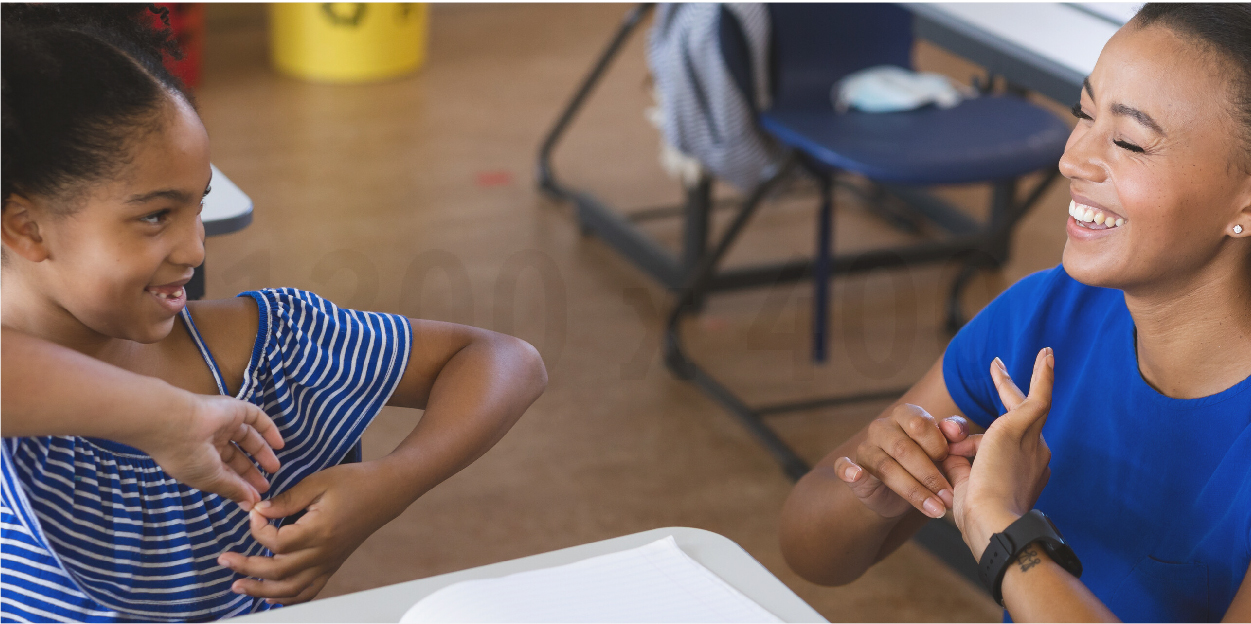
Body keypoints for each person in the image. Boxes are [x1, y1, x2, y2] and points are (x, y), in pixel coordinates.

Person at [0, 4, 547, 621]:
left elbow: (506, 359)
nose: (195, 248)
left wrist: (392, 482)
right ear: (27, 227)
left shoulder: (267, 348)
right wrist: (166, 420)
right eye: (155, 216)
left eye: (197, 206)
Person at [779, 4, 1251, 622]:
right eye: (1084, 113)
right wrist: (877, 489)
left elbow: (998, 527)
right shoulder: (1046, 314)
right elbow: (811, 553)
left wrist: (1003, 530)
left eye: (1130, 141)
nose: (1073, 159)